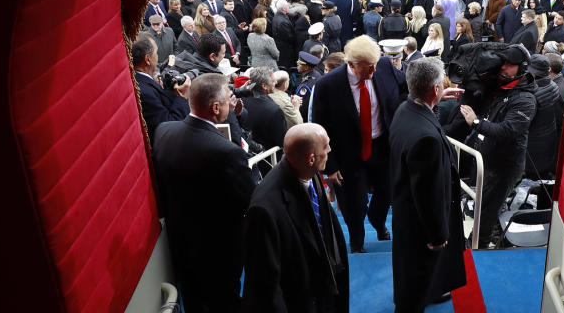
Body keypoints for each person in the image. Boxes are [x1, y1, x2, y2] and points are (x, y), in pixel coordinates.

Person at [152, 73, 256, 311]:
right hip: (219, 249)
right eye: (227, 98)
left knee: (194, 300)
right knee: (225, 301)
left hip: (179, 240)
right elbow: (249, 200)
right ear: (215, 106)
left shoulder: (164, 131)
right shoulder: (227, 152)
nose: (232, 103)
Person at [309, 36, 408, 253]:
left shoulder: (383, 65)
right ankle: (356, 243)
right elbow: (319, 127)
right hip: (348, 155)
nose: (373, 72)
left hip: (382, 147)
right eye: (367, 68)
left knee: (387, 193)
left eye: (374, 65)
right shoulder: (327, 85)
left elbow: (404, 87)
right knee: (355, 203)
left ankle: (379, 222)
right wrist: (330, 167)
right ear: (351, 64)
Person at [242, 123, 349, 313]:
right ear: (311, 158)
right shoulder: (264, 209)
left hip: (322, 292)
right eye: (326, 146)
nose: (330, 150)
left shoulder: (307, 171)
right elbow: (265, 285)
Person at [389, 58, 467, 310]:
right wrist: (437, 235)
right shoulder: (427, 140)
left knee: (414, 274)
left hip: (404, 211)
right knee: (417, 280)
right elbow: (427, 193)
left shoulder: (405, 109)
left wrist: (436, 98)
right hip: (421, 226)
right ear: (434, 89)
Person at [453, 45, 537, 248]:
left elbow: (507, 131)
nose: (504, 68)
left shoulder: (525, 99)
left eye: (510, 65)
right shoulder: (499, 87)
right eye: (503, 63)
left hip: (505, 165)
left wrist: (475, 123)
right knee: (486, 206)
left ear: (522, 68)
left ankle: (480, 245)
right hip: (488, 158)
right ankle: (485, 236)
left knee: (487, 211)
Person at [133, 35, 189, 145]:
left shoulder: (141, 80)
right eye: (156, 53)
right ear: (147, 59)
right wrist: (182, 97)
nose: (157, 57)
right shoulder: (145, 93)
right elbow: (170, 127)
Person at [244, 67, 289, 150]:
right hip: (269, 157)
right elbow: (282, 140)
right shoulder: (274, 110)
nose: (276, 82)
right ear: (264, 86)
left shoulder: (242, 101)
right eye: (273, 81)